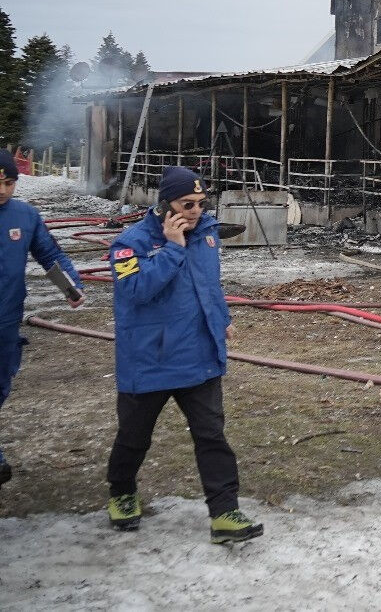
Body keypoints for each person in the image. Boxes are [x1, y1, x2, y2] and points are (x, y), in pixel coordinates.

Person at [104, 165, 262, 543]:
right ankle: (122, 492)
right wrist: (172, 249)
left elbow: (210, 285)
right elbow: (136, 290)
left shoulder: (207, 234)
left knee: (212, 436)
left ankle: (224, 512)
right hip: (150, 359)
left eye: (201, 203)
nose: (195, 211)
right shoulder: (128, 244)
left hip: (200, 356)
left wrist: (222, 319)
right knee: (134, 437)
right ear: (164, 205)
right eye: (186, 204)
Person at [0, 148, 84, 488]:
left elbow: (49, 255)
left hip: (7, 318)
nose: (3, 190)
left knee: (1, 384)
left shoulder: (25, 216)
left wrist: (70, 287)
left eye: (9, 182)